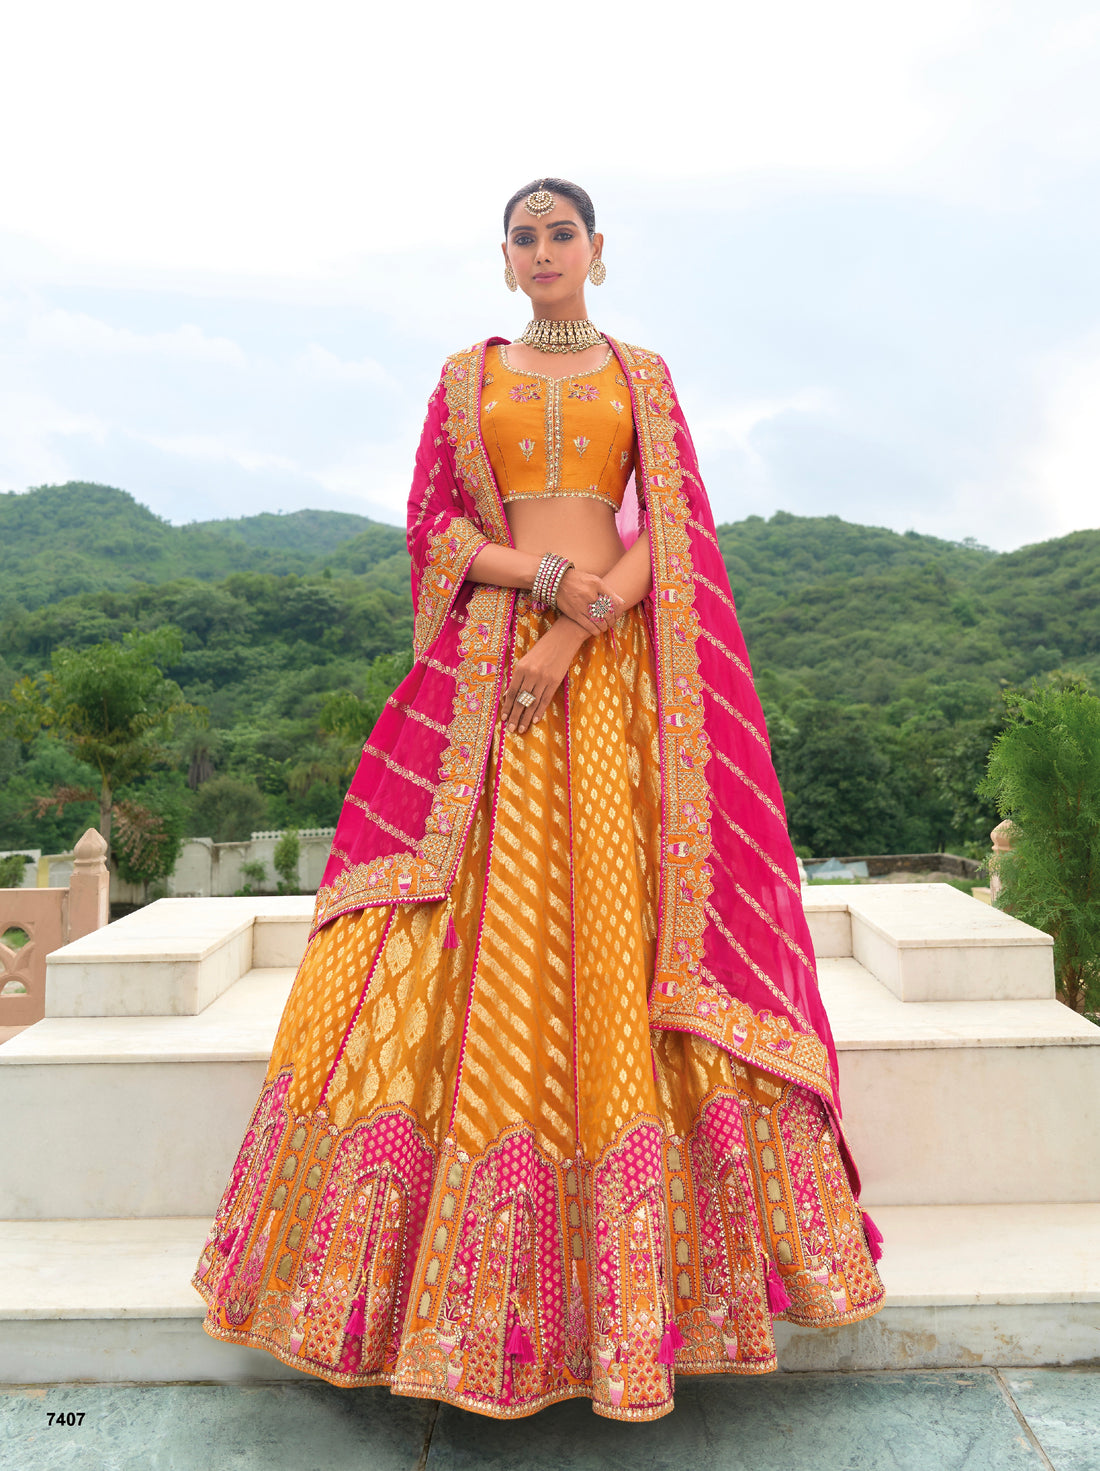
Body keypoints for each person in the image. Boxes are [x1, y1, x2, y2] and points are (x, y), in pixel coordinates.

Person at [192, 177, 885, 1421]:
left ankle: (649, 1302)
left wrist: (588, 618)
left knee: (623, 927)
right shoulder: (467, 376)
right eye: (524, 235)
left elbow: (670, 521)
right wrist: (549, 587)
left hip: (617, 682)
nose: (544, 249)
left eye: (562, 231)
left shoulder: (646, 375)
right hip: (492, 679)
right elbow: (437, 529)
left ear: (598, 252)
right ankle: (423, 1295)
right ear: (504, 259)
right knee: (472, 927)